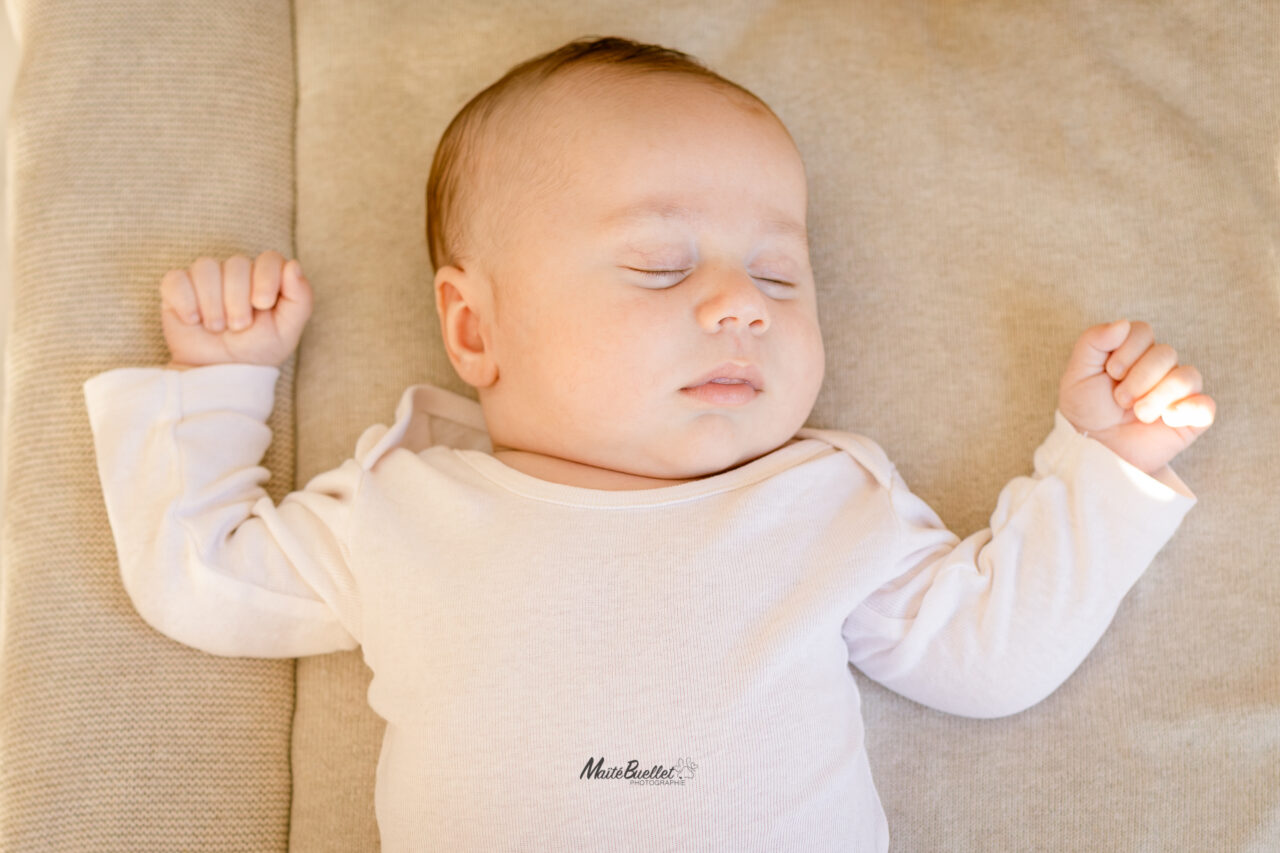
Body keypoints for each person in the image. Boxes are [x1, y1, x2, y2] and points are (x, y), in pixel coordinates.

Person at [83, 35, 1215, 852]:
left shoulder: (822, 501)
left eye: (779, 273)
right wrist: (223, 383)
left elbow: (986, 656)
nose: (743, 306)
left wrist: (1101, 460)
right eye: (661, 266)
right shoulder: (402, 509)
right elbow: (202, 579)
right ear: (475, 327)